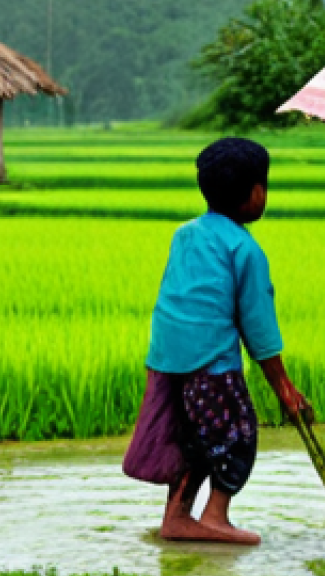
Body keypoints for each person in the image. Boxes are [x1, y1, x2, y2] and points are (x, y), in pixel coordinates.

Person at [123, 137, 312, 545]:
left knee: (195, 438)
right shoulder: (244, 248)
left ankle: (176, 517)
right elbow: (258, 327)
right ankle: (214, 517)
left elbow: (180, 295)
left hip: (168, 357)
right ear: (256, 192)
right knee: (236, 436)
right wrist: (284, 387)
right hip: (211, 362)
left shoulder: (185, 234)